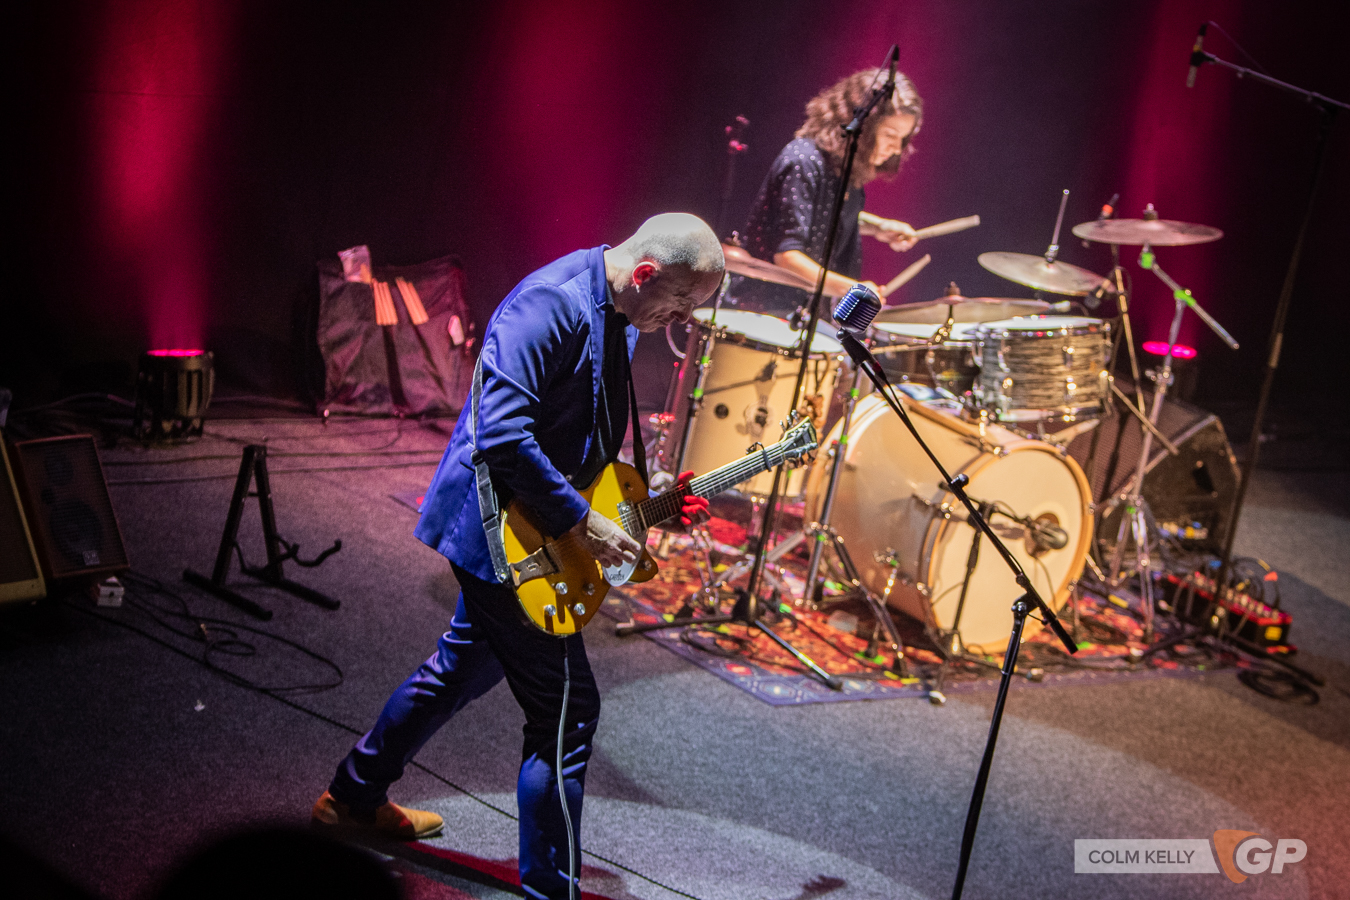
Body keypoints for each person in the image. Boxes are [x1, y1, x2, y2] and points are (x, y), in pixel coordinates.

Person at [312, 213, 724, 900]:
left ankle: (352, 797)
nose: (682, 320)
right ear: (646, 273)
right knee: (568, 712)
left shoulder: (622, 313)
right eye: (681, 302)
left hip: (533, 529)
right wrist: (582, 523)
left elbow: (579, 438)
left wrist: (642, 504)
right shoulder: (549, 305)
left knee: (459, 668)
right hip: (494, 531)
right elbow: (502, 437)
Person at [734, 67, 924, 316]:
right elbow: (787, 257)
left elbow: (825, 217)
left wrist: (878, 227)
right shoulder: (803, 161)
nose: (897, 148)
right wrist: (853, 290)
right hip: (763, 314)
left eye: (903, 138)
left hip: (804, 317)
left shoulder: (844, 172)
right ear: (863, 127)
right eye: (890, 135)